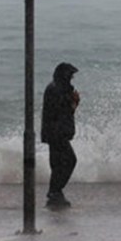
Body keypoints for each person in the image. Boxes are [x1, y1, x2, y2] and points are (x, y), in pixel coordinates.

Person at [41, 62, 80, 208]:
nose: (71, 79)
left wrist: (72, 102)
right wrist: (73, 102)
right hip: (57, 133)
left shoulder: (55, 88)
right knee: (69, 161)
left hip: (54, 133)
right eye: (70, 76)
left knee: (58, 164)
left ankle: (55, 192)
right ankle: (55, 191)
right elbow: (63, 111)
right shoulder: (57, 90)